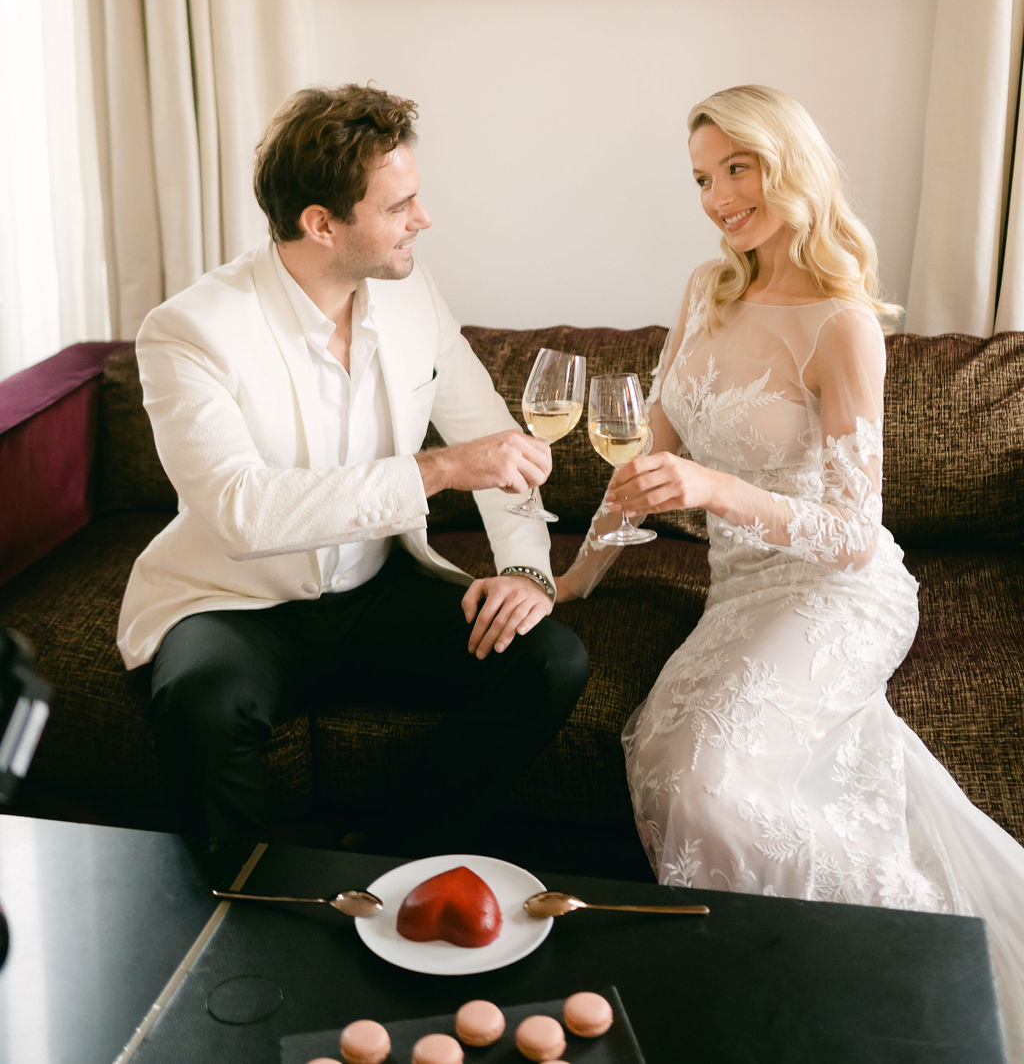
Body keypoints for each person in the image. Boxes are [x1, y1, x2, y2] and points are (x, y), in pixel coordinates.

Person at [557, 84, 1024, 1058]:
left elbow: (854, 533)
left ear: (791, 165)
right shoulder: (704, 287)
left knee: (705, 782)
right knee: (665, 762)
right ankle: (759, 980)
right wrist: (569, 585)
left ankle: (903, 954)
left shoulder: (839, 324)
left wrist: (711, 491)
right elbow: (644, 458)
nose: (719, 196)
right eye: (701, 176)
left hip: (838, 594)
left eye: (739, 168)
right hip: (742, 593)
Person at [117, 83, 588, 852]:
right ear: (321, 223)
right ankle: (233, 920)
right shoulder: (188, 331)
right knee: (201, 701)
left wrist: (528, 574)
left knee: (550, 659)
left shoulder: (411, 294)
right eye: (400, 205)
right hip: (232, 603)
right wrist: (435, 471)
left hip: (374, 593)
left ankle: (391, 864)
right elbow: (243, 511)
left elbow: (494, 440)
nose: (423, 219)